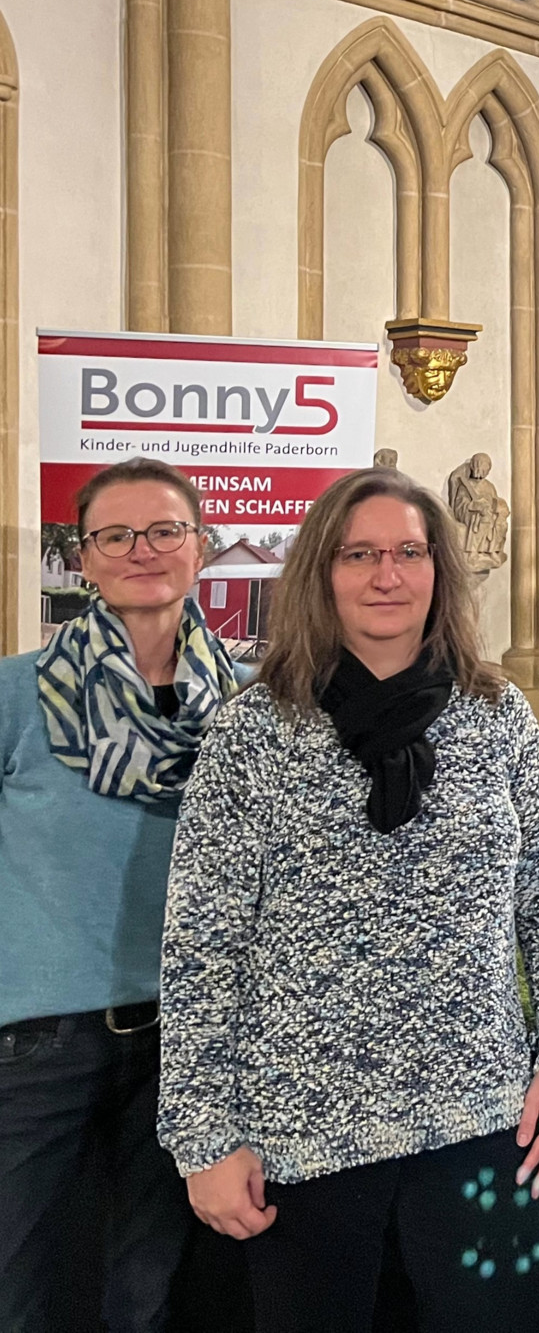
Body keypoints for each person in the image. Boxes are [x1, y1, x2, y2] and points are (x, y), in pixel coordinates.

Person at [156, 465, 539, 1333]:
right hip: (301, 1134)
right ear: (321, 573)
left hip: (481, 1118)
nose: (386, 575)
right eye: (359, 554)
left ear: (439, 569)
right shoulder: (253, 734)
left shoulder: (497, 715)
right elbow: (201, 944)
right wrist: (202, 1135)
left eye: (408, 552)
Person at [0, 458, 237, 1333]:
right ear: (84, 559)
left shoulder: (246, 713)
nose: (144, 550)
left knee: (146, 1297)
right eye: (117, 535)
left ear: (201, 548)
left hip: (186, 1041)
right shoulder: (14, 695)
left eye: (166, 530)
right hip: (36, 1044)